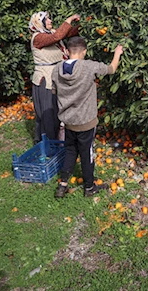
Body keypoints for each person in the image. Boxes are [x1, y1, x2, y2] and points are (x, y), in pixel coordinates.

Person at [52, 36, 124, 197]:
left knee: (70, 150)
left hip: (68, 121)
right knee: (86, 153)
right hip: (85, 121)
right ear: (84, 51)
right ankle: (89, 187)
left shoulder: (57, 69)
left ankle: (62, 185)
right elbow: (111, 69)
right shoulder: (88, 66)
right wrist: (117, 53)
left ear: (68, 51)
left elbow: (54, 92)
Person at [29, 11, 80, 144]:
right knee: (48, 113)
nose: (50, 21)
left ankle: (57, 141)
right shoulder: (38, 38)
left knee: (57, 110)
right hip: (46, 80)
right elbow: (58, 36)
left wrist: (84, 23)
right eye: (47, 19)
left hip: (56, 78)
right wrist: (68, 19)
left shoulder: (51, 33)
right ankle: (47, 144)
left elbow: (68, 33)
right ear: (39, 23)